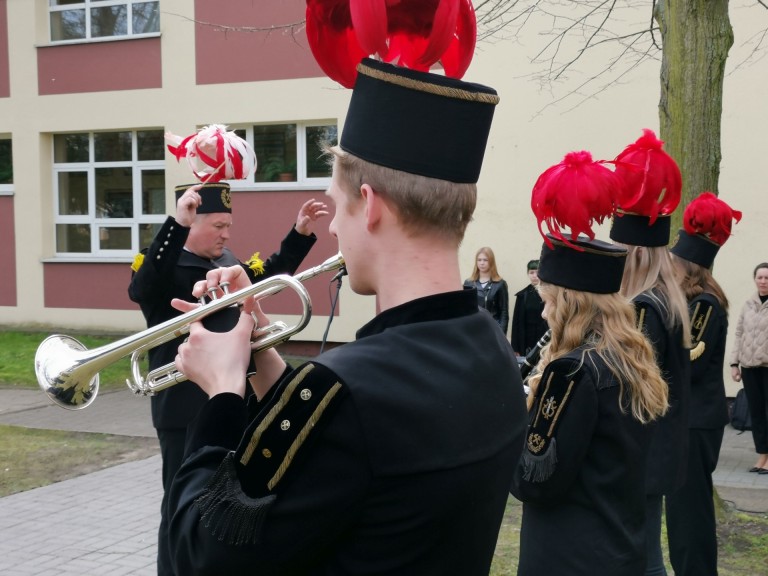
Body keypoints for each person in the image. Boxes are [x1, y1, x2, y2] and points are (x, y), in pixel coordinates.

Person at [166, 57, 527, 575]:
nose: (332, 228)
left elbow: (199, 554)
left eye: (336, 207)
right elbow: (347, 446)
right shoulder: (489, 344)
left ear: (370, 204)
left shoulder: (347, 391)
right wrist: (260, 345)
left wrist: (224, 393)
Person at [128, 181, 327, 576]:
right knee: (181, 503)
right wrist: (175, 224)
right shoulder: (164, 265)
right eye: (218, 224)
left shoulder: (225, 262)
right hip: (183, 407)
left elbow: (268, 276)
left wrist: (299, 234)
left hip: (234, 399)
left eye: (229, 225)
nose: (226, 233)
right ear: (192, 222)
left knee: (228, 494)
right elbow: (142, 287)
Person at [512, 150, 669, 576]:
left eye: (547, 303)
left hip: (569, 557)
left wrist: (510, 416)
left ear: (570, 306)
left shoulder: (572, 373)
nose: (543, 314)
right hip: (621, 548)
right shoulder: (629, 358)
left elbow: (535, 481)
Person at [609, 129, 691, 576]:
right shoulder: (669, 298)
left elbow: (632, 388)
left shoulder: (643, 307)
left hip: (641, 452)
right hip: (660, 450)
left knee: (641, 558)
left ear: (635, 253)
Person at [666, 191, 742, 576]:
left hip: (695, 423)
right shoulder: (694, 301)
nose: (672, 267)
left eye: (676, 261)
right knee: (681, 515)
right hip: (689, 421)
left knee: (689, 516)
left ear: (689, 265)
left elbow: (687, 361)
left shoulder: (704, 305)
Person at [730, 262, 768, 472]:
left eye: (767, 278)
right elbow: (738, 334)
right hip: (749, 367)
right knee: (757, 413)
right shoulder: (748, 304)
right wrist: (735, 363)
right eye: (759, 277)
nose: (763, 281)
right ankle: (762, 455)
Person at [463, 246, 510, 335]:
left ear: (491, 262)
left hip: (492, 330)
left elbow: (504, 312)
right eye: (479, 260)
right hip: (473, 329)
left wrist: (502, 335)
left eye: (485, 260)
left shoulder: (500, 284)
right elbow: (464, 309)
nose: (482, 263)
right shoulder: (468, 283)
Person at [510, 259, 548, 356]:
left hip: (544, 337)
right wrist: (515, 347)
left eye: (537, 272)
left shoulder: (549, 295)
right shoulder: (522, 296)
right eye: (531, 272)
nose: (535, 275)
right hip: (527, 340)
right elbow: (516, 323)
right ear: (528, 274)